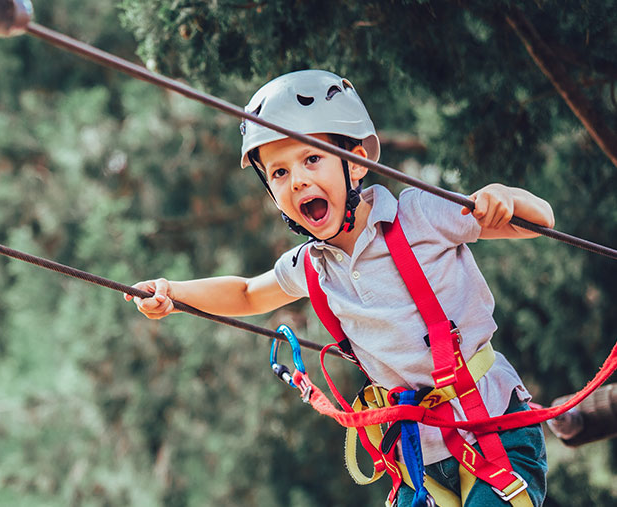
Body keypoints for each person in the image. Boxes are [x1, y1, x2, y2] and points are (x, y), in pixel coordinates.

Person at [124, 70, 553, 506]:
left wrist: (504, 197)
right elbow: (248, 293)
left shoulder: (421, 217)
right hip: (418, 459)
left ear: (356, 161)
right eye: (278, 172)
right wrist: (172, 292)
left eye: (312, 159)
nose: (297, 180)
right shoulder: (311, 268)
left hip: (492, 428)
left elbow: (540, 223)